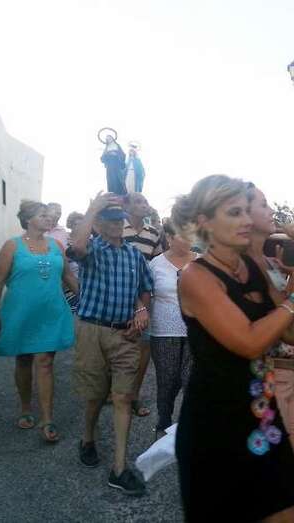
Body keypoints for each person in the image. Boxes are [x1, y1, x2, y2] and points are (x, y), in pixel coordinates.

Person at [172, 174, 294, 522]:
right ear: (205, 222)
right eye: (234, 212)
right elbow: (249, 342)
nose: (247, 221)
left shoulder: (252, 266)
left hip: (263, 417)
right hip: (217, 425)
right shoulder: (195, 276)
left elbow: (293, 335)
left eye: (246, 211)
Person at [245, 184, 294, 522]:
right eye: (263, 204)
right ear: (243, 215)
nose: (271, 209)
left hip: (290, 376)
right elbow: (288, 328)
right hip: (267, 382)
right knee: (278, 492)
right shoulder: (242, 268)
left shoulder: (270, 262)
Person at [68, 193, 152, 496]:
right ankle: (87, 438)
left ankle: (119, 468)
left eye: (120, 219)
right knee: (94, 395)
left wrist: (142, 310)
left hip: (124, 335)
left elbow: (145, 289)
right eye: (110, 220)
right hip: (92, 330)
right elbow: (77, 248)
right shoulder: (92, 249)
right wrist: (93, 207)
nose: (117, 224)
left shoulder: (134, 255)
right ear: (99, 224)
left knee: (123, 397)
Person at [0, 201, 77, 443]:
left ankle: (47, 418)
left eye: (50, 215)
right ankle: (26, 407)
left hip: (51, 312)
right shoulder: (12, 246)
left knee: (45, 361)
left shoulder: (56, 245)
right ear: (28, 219)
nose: (49, 218)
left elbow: (68, 276)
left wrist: (89, 301)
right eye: (43, 215)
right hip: (21, 313)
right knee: (24, 359)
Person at [148, 219, 196, 439]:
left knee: (191, 381)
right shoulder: (155, 264)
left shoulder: (202, 262)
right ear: (168, 237)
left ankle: (189, 427)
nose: (188, 240)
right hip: (164, 332)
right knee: (167, 381)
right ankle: (164, 422)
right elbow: (145, 294)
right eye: (182, 235)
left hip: (195, 333)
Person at [123, 192, 165, 417]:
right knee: (119, 341)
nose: (144, 205)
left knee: (144, 344)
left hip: (145, 293)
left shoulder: (154, 232)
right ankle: (115, 391)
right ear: (126, 206)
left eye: (146, 201)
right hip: (119, 293)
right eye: (138, 201)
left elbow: (157, 263)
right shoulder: (117, 228)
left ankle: (133, 395)